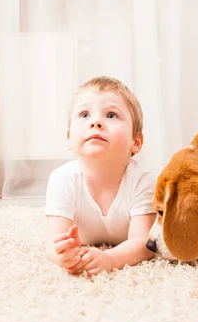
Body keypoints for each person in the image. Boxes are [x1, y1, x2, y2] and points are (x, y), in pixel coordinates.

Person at [44, 76, 157, 277]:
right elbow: (53, 241)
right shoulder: (62, 179)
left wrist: (110, 259)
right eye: (85, 114)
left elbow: (144, 244)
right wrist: (64, 254)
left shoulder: (143, 180)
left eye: (111, 115)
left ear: (136, 141)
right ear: (69, 138)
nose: (95, 122)